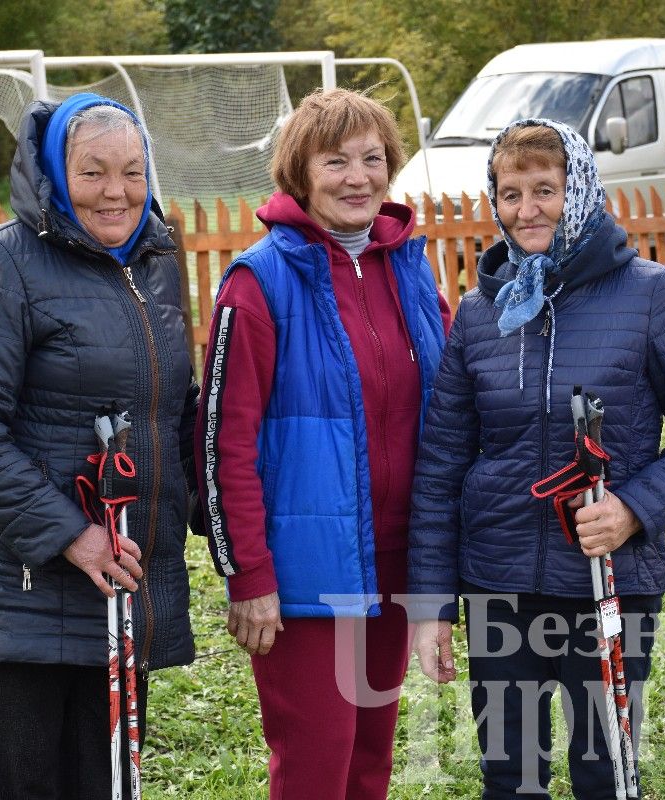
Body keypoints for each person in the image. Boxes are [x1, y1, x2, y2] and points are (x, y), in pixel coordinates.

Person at [408, 119, 665, 799]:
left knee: (605, 769)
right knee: (510, 774)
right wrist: (432, 605)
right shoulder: (481, 312)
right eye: (510, 193)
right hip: (499, 581)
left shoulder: (651, 294)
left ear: (579, 189)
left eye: (545, 189)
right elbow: (441, 463)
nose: (527, 210)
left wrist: (633, 510)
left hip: (609, 581)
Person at [0, 93, 199, 800]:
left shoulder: (156, 262)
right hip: (26, 592)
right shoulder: (1, 264)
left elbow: (174, 409)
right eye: (93, 172)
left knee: (108, 785)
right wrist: (71, 537)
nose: (117, 192)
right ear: (54, 174)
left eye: (133, 172)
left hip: (124, 583)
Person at [195, 88, 450, 800]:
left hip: (398, 559)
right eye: (335, 160)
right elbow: (222, 445)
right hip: (309, 577)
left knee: (370, 761)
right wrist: (249, 575)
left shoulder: (410, 268)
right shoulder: (259, 282)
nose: (358, 177)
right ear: (299, 173)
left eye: (373, 158)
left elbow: (457, 403)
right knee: (316, 767)